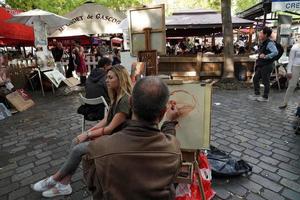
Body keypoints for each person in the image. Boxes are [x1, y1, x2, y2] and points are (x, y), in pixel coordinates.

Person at [32, 65, 132, 197]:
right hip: (112, 137)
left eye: (110, 77)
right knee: (76, 141)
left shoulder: (124, 99)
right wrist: (87, 132)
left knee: (78, 149)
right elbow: (106, 120)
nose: (106, 80)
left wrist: (88, 134)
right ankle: (64, 184)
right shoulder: (117, 95)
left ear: (121, 79)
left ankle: (55, 179)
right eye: (107, 77)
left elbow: (109, 129)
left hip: (117, 141)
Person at [83, 76, 182, 199]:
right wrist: (169, 123)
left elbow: (92, 186)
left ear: (130, 102)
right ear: (163, 112)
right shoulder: (173, 149)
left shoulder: (99, 148)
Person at [249, 27, 278, 102]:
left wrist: (266, 56)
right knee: (255, 79)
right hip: (261, 64)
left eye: (261, 33)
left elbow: (275, 52)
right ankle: (257, 94)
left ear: (265, 34)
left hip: (267, 65)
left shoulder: (269, 43)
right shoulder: (263, 42)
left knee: (266, 81)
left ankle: (265, 97)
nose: (260, 34)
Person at [279, 37, 300, 109]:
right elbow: (290, 59)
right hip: (295, 67)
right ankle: (285, 102)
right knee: (292, 86)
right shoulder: (295, 47)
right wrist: (289, 71)